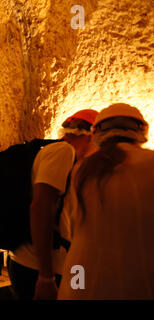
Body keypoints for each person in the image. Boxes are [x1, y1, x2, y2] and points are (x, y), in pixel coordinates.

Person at [58, 103, 154, 299]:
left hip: (80, 278)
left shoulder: (82, 169)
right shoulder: (150, 163)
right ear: (142, 129)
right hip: (135, 279)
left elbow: (74, 227)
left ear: (96, 133)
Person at [7, 109, 99, 300]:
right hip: (39, 267)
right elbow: (41, 207)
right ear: (91, 136)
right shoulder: (63, 152)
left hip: (60, 264)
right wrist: (46, 277)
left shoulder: (69, 159)